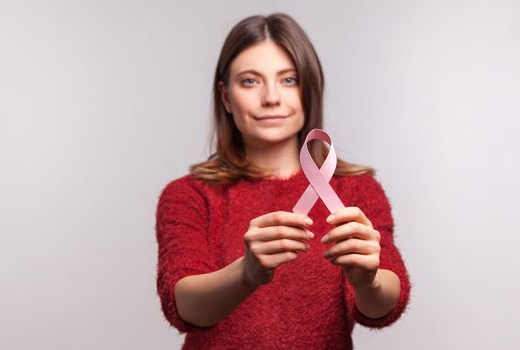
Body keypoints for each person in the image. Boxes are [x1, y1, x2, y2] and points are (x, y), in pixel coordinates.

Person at [155, 12, 411, 349]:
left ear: (309, 90)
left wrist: (369, 281)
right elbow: (184, 306)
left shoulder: (357, 190)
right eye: (250, 81)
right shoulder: (189, 194)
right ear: (226, 97)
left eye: (288, 80)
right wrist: (246, 272)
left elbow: (385, 306)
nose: (271, 97)